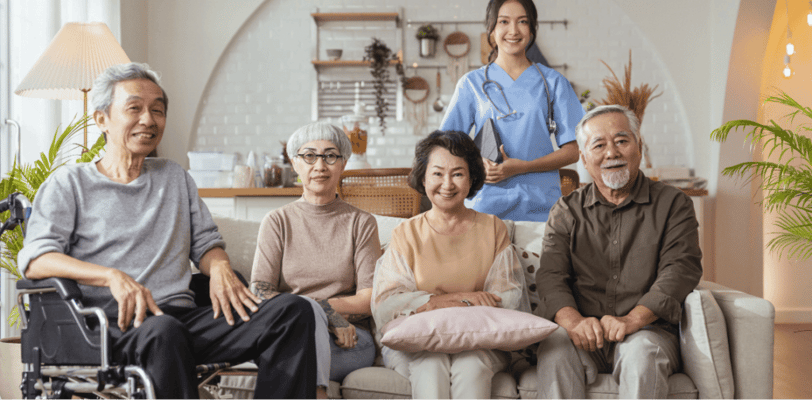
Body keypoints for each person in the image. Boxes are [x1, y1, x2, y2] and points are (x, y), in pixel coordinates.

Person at [17, 62, 317, 399]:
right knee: (164, 331)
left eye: (157, 110)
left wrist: (218, 266)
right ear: (102, 119)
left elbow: (206, 244)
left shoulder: (174, 177)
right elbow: (36, 260)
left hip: (183, 321)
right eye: (134, 108)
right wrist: (111, 276)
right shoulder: (70, 183)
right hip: (109, 328)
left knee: (292, 312)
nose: (148, 119)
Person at [534, 105, 703, 399]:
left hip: (647, 331)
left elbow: (680, 270)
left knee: (642, 355)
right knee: (555, 349)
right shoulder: (566, 211)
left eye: (622, 140)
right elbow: (551, 276)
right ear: (584, 160)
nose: (611, 152)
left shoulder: (674, 205)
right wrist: (574, 323)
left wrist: (632, 320)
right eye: (599, 145)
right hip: (582, 334)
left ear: (639, 147)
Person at [371, 130, 529, 399]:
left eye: (457, 173)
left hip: (480, 341)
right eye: (437, 173)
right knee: (429, 365)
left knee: (472, 365)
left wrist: (436, 302)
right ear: (423, 177)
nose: (447, 184)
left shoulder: (493, 228)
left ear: (472, 179)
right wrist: (462, 298)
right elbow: (387, 304)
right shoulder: (405, 233)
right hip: (417, 342)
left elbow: (510, 299)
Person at [250, 121, 381, 398]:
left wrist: (322, 313)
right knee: (300, 345)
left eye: (330, 156)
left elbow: (369, 299)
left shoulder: (361, 223)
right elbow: (260, 290)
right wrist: (326, 314)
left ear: (343, 164)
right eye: (309, 156)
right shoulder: (277, 221)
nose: (319, 165)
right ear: (295, 163)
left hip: (349, 340)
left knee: (292, 357)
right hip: (290, 332)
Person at [439, 0, 583, 222]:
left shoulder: (553, 82)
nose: (513, 31)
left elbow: (573, 151)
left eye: (522, 22)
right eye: (504, 21)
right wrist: (475, 162)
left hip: (540, 207)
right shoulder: (472, 83)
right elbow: (446, 145)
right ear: (492, 29)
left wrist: (523, 167)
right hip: (483, 207)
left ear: (532, 28)